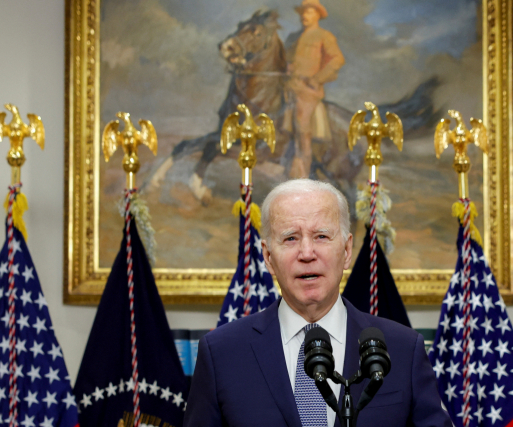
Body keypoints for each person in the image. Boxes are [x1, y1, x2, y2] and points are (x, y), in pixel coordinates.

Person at [183, 179, 451, 427]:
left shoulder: (403, 348)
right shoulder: (221, 353)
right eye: (291, 238)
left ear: (346, 251)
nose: (307, 253)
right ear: (267, 256)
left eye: (321, 236)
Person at [284, 0, 345, 178]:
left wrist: (317, 79)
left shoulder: (324, 36)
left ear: (318, 15)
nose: (305, 16)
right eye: (303, 12)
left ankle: (303, 166)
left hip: (308, 91)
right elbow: (287, 61)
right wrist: (287, 67)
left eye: (309, 12)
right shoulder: (292, 38)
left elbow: (337, 59)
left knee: (301, 122)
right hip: (288, 86)